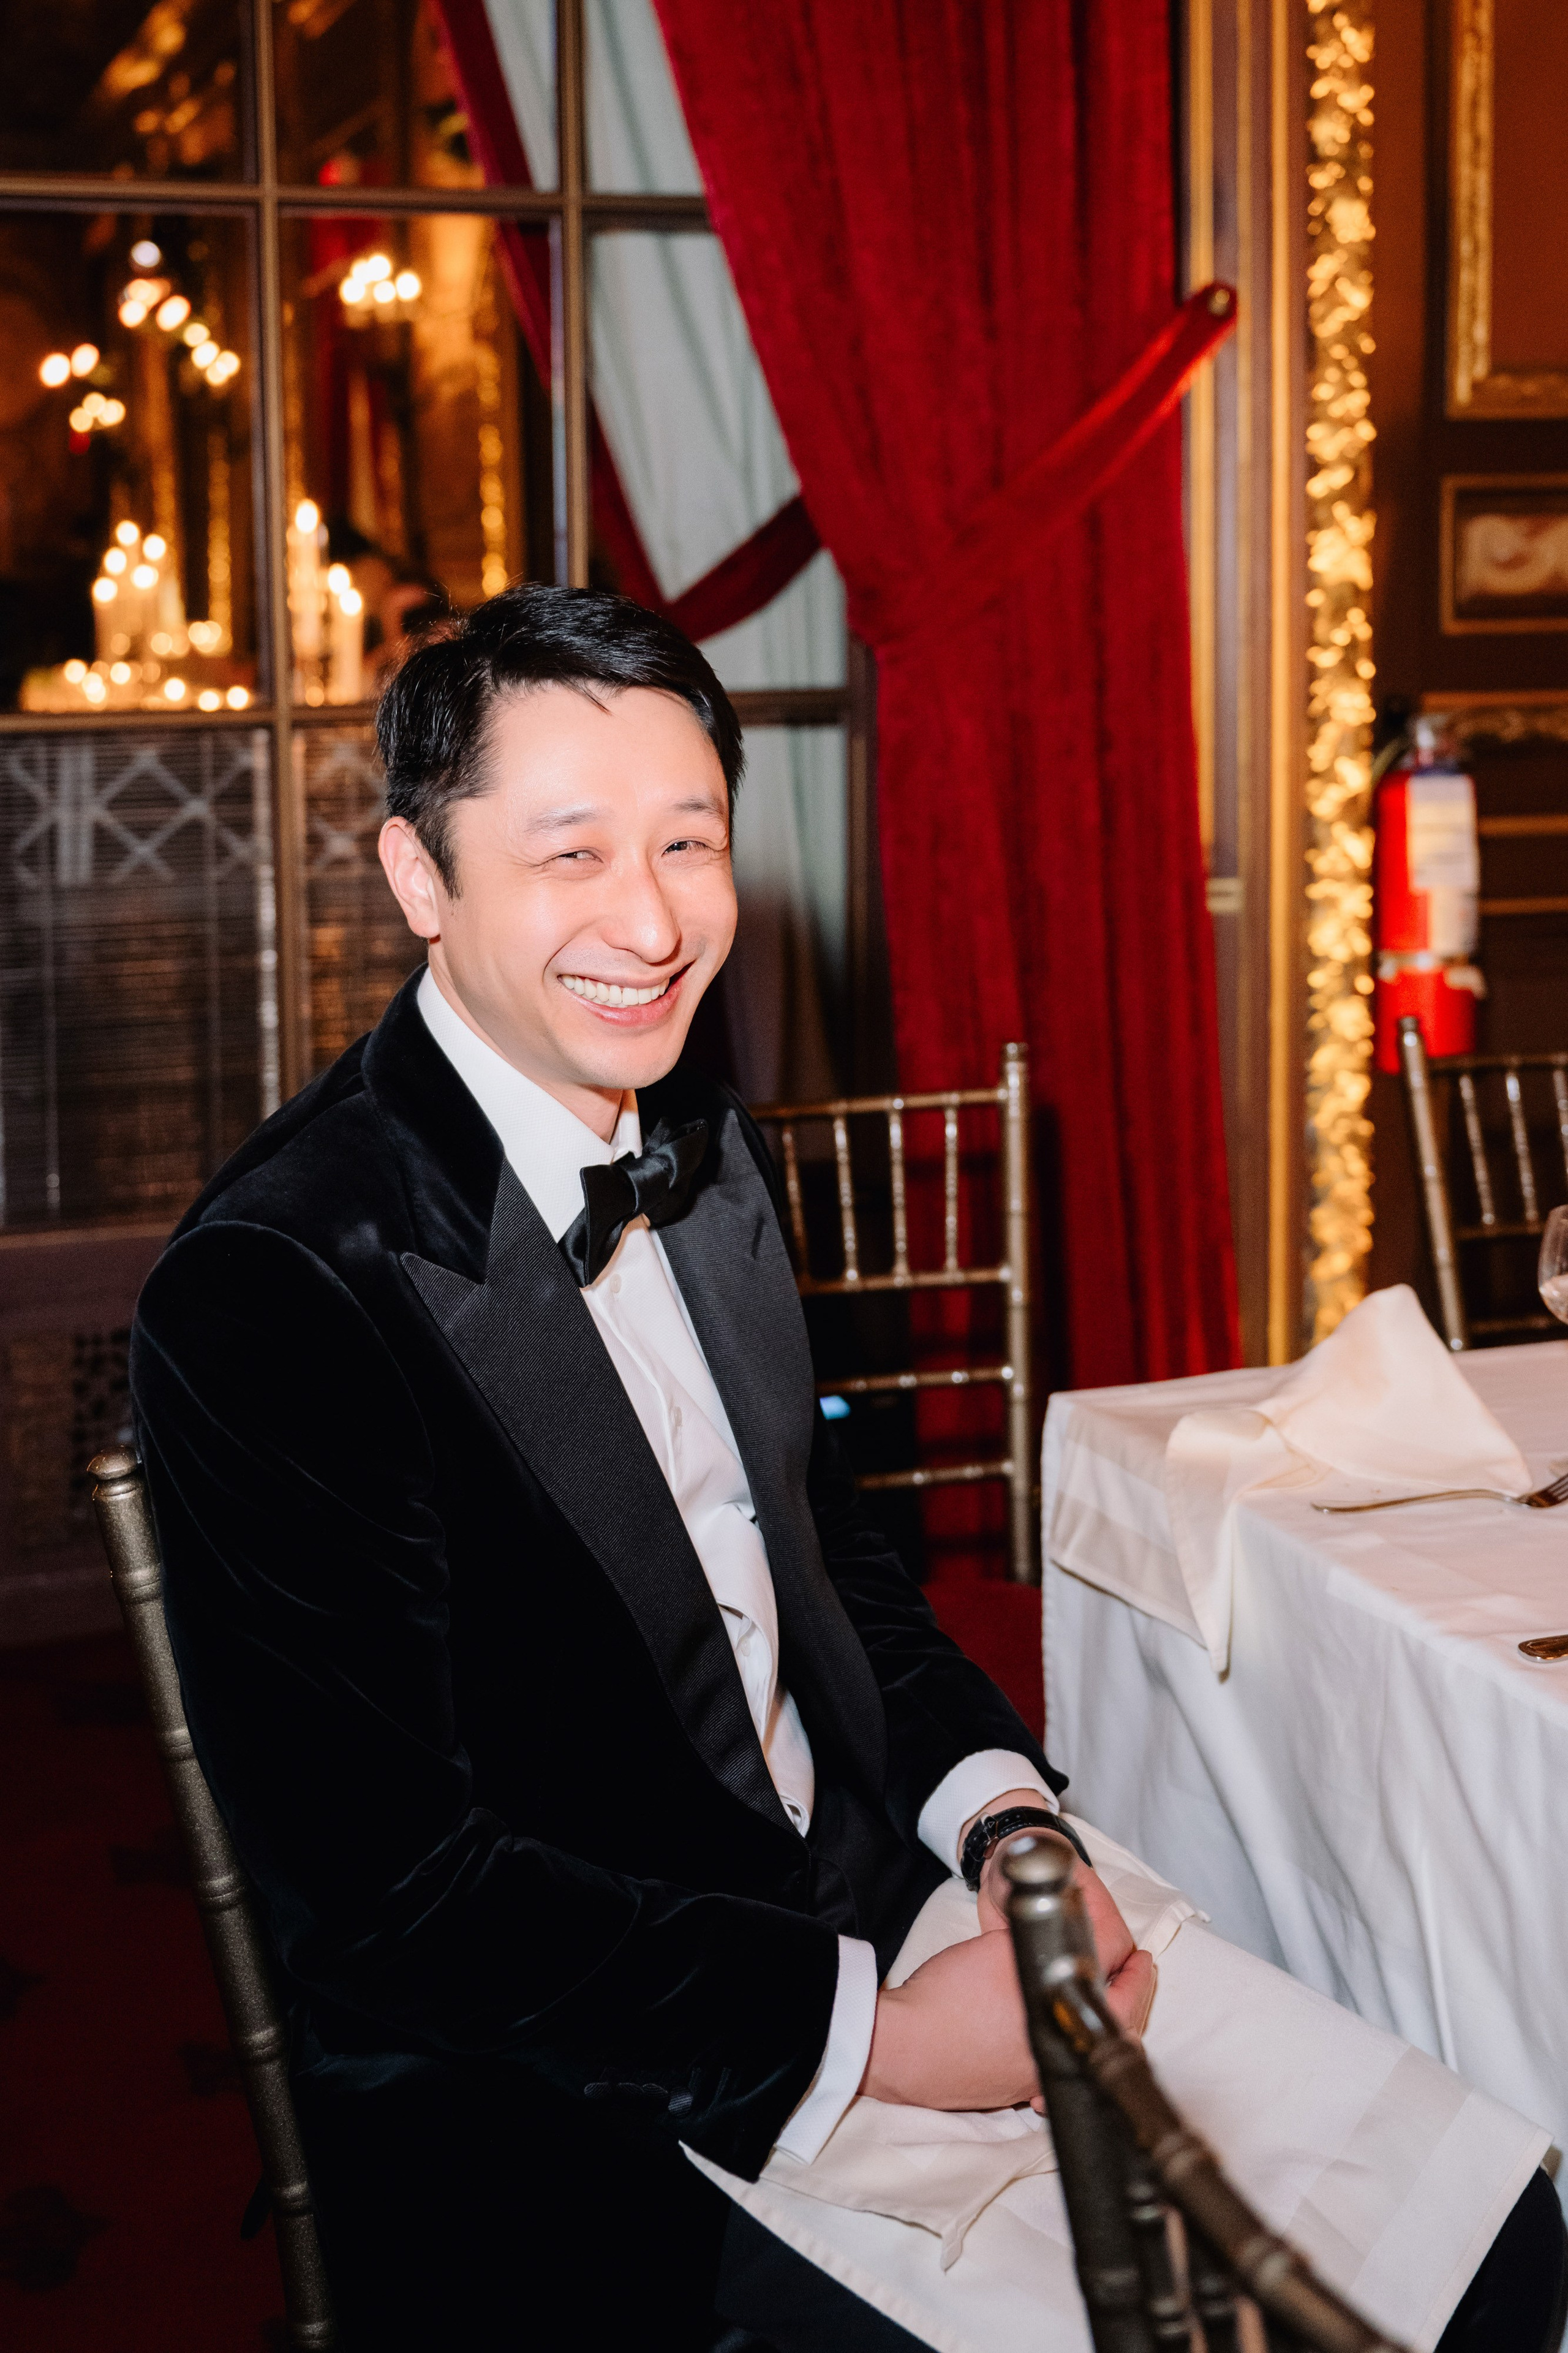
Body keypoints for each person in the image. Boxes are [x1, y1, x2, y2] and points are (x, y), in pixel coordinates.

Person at [130, 585, 1564, 2353]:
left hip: (895, 1900)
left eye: (690, 842)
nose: (650, 922)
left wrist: (1011, 1828)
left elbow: (836, 1564)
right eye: (569, 855)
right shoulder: (278, 1282)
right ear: (421, 880)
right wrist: (877, 2037)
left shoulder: (708, 1148)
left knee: (1489, 2242)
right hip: (587, 2091)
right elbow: (389, 1898)